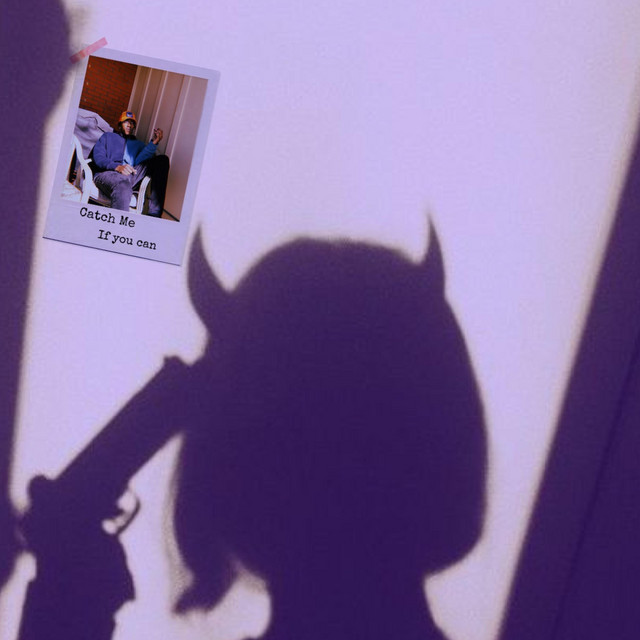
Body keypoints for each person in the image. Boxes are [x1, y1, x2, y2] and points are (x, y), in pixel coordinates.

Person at [91, 111, 170, 217]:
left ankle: (154, 215)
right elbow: (98, 158)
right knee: (123, 185)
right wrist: (117, 167)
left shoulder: (138, 144)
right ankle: (118, 224)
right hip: (108, 174)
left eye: (132, 123)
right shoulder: (108, 137)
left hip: (131, 174)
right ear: (120, 125)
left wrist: (154, 142)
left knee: (162, 160)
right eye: (126, 122)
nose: (129, 125)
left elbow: (141, 161)